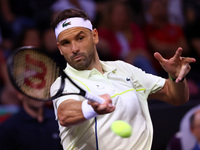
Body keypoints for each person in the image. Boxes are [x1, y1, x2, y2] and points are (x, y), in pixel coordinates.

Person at [50, 8, 196, 150]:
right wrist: (90, 108)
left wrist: (175, 77)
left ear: (95, 36)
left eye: (80, 38)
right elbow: (65, 113)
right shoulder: (62, 83)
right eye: (66, 43)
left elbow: (176, 97)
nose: (74, 48)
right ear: (60, 48)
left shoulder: (123, 69)